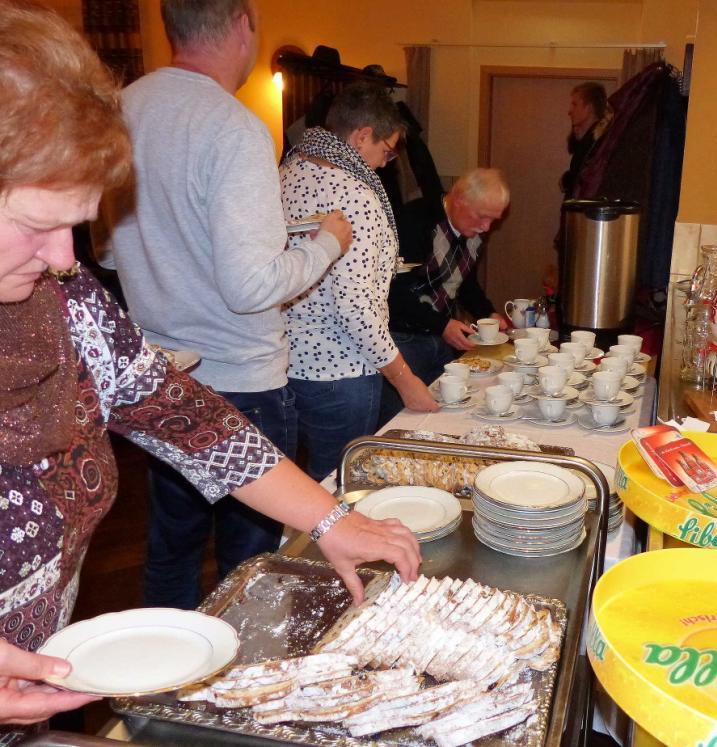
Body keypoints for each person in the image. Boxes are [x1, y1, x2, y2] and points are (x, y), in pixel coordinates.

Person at [0, 1, 420, 725]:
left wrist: (329, 520)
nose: (68, 259)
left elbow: (184, 414)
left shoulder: (62, 301)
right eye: (39, 226)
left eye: (76, 224)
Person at [105, 0, 355, 609]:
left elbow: (114, 254)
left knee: (171, 550)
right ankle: (237, 695)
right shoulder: (233, 126)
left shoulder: (120, 110)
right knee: (251, 567)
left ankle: (159, 694)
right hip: (242, 381)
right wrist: (329, 243)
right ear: (244, 25)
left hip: (160, 380)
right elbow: (251, 288)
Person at [280, 83, 439, 482]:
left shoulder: (287, 169)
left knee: (309, 484)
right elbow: (355, 307)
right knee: (341, 486)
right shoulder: (355, 193)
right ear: (362, 135)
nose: (385, 164)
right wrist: (406, 380)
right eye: (385, 151)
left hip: (284, 362)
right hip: (341, 370)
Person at [379, 169, 510, 425]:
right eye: (483, 218)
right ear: (459, 200)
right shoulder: (414, 222)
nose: (486, 227)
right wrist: (442, 324)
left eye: (493, 221)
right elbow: (393, 292)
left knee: (446, 414)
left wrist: (488, 313)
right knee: (401, 420)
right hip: (402, 339)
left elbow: (464, 280)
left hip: (438, 336)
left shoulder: (471, 231)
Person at [560, 81, 610, 198]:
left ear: (589, 108)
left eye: (575, 104)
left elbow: (586, 179)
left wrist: (568, 180)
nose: (570, 111)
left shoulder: (597, 142)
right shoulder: (589, 138)